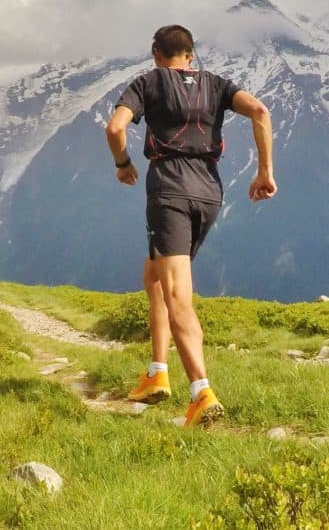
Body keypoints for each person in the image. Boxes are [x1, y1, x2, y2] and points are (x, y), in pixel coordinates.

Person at [105, 24, 276, 427]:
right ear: (191, 56)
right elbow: (261, 111)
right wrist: (264, 172)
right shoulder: (216, 84)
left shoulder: (148, 82)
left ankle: (201, 392)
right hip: (209, 192)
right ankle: (156, 372)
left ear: (155, 53)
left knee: (177, 292)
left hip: (169, 191)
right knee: (154, 276)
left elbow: (114, 129)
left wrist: (123, 164)